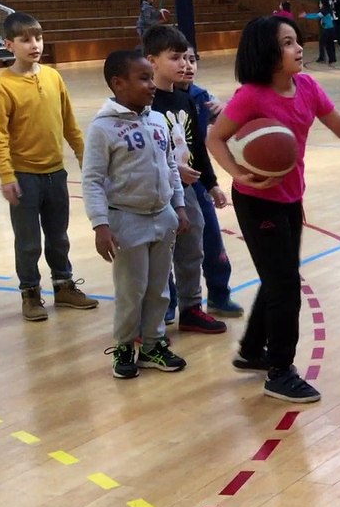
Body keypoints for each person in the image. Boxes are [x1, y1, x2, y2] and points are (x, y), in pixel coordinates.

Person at [204, 15, 340, 403]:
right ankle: (280, 371)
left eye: (297, 41)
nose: (298, 48)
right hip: (256, 202)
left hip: (290, 199)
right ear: (267, 52)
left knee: (278, 277)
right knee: (285, 286)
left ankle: (252, 351)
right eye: (287, 43)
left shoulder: (308, 87)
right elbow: (215, 138)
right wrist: (238, 174)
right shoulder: (251, 95)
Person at [83, 50, 189, 379]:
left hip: (163, 216)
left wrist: (179, 206)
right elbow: (92, 180)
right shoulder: (102, 128)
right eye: (143, 78)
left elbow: (171, 166)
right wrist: (100, 225)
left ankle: (154, 343)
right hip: (126, 220)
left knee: (159, 289)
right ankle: (126, 346)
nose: (152, 84)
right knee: (132, 289)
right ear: (118, 83)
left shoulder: (156, 119)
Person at [0, 11, 97, 321]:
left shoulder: (53, 76)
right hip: (24, 177)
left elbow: (69, 123)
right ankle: (31, 294)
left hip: (55, 173)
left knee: (58, 235)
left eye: (38, 37)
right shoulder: (2, 86)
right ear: (9, 44)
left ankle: (63, 286)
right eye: (25, 39)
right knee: (28, 241)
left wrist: (82, 156)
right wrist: (6, 175)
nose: (34, 44)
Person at [143, 24, 227, 334]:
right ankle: (160, 308)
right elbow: (142, 154)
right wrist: (172, 171)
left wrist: (212, 183)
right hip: (156, 191)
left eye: (186, 58)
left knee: (193, 248)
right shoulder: (145, 103)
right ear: (152, 60)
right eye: (175, 58)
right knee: (160, 251)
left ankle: (192, 308)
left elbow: (197, 150)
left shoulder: (186, 101)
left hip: (189, 190)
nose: (184, 64)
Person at [177, 44, 243, 318]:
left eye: (192, 59)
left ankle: (218, 295)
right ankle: (170, 305)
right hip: (167, 186)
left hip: (198, 183)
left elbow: (230, 127)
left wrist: (226, 109)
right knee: (172, 251)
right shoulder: (153, 99)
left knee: (212, 240)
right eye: (180, 59)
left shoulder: (202, 97)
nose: (188, 65)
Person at [302, 0, 339, 66]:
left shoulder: (324, 10)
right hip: (332, 29)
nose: (319, 5)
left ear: (323, 4)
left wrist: (306, 16)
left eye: (320, 4)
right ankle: (332, 58)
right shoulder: (328, 10)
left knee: (322, 43)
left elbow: (316, 16)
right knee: (329, 44)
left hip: (328, 30)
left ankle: (322, 58)